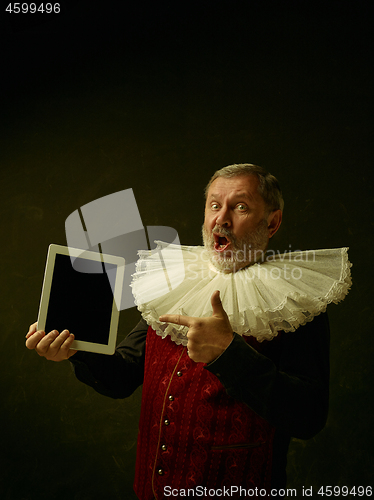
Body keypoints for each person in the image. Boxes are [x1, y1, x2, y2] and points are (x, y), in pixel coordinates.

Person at [26, 164, 340, 499]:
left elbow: (308, 417)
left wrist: (229, 354)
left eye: (241, 207)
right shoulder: (171, 282)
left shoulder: (294, 304)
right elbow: (122, 375)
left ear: (272, 222)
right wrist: (77, 349)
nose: (222, 220)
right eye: (215, 205)